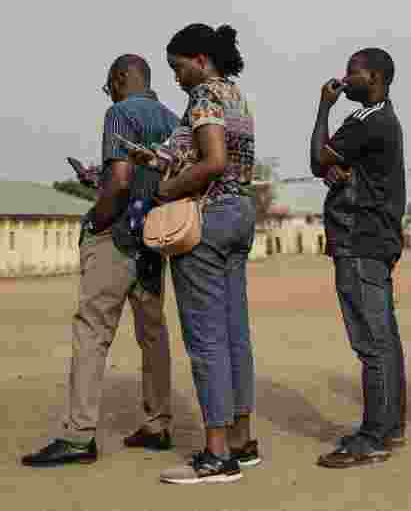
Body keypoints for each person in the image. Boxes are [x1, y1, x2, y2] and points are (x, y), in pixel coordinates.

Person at [22, 55, 179, 468]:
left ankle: (78, 436)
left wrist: (95, 219)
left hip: (117, 236)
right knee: (153, 333)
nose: (108, 92)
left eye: (109, 84)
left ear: (120, 79)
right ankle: (158, 423)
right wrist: (99, 180)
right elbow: (151, 177)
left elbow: (123, 181)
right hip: (153, 239)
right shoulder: (172, 117)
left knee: (92, 332)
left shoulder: (119, 112)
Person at [130, 24, 258, 484]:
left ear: (200, 59)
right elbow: (212, 153)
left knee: (205, 340)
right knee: (234, 333)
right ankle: (243, 441)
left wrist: (166, 190)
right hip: (241, 213)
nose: (177, 79)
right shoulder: (235, 95)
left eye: (178, 67)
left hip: (208, 218)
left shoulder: (203, 95)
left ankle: (217, 455)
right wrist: (158, 159)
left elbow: (214, 161)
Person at [311, 48, 407, 468]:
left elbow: (318, 159)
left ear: (376, 77)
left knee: (372, 341)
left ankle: (375, 436)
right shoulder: (381, 120)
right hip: (371, 240)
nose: (346, 78)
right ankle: (389, 426)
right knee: (383, 337)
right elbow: (329, 167)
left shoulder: (368, 120)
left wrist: (322, 108)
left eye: (354, 72)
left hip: (360, 240)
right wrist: (335, 168)